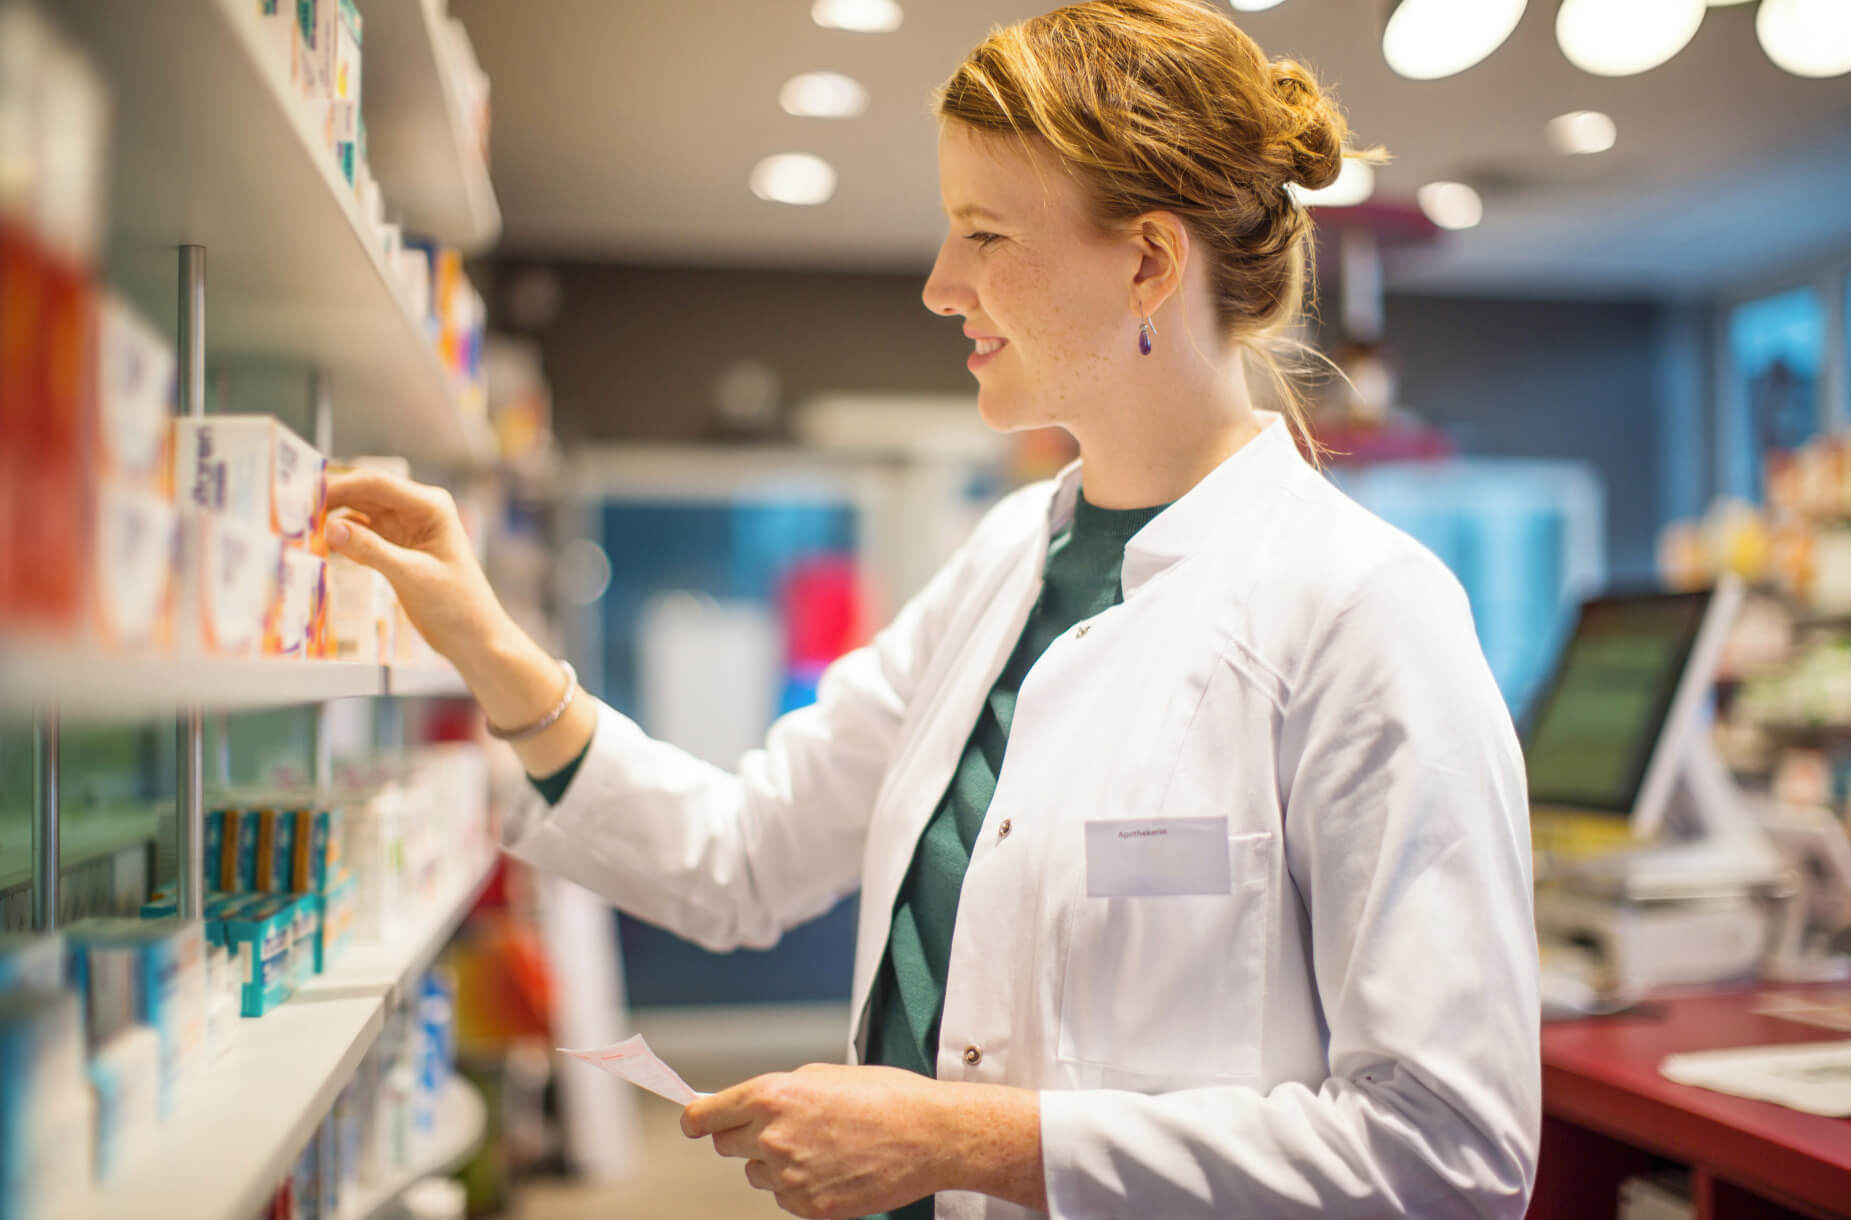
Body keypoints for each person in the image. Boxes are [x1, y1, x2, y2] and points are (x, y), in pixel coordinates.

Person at [323, 1, 1540, 1216]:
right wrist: (482, 637)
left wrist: (973, 1140)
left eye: (985, 233)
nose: (939, 283)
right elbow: (742, 855)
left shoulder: (1363, 612)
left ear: (1149, 262)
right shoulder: (1008, 558)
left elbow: (1448, 1149)